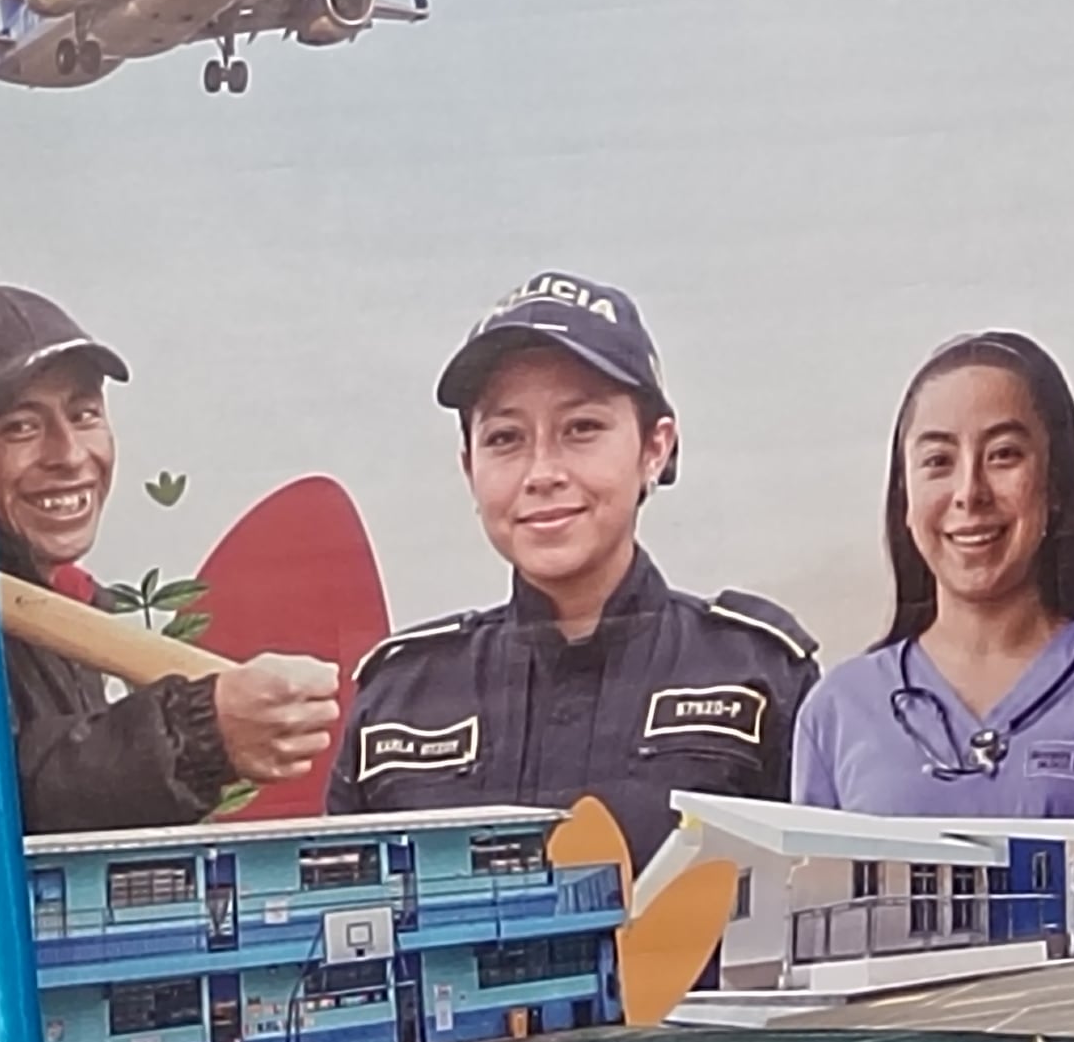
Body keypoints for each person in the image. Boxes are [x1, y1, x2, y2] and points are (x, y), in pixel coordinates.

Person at [333, 273, 815, 855]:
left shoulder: (757, 673)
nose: (542, 473)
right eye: (506, 438)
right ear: (468, 466)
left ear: (654, 448)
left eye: (581, 429)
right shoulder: (400, 693)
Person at [790, 333, 1074, 833]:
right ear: (905, 495)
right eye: (938, 462)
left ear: (1055, 484)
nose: (970, 492)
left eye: (1004, 454)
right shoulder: (836, 710)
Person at [0, 285, 344, 836]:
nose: (70, 455)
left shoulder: (70, 601)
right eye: (21, 427)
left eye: (84, 414)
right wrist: (196, 733)